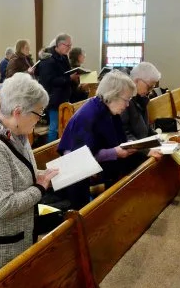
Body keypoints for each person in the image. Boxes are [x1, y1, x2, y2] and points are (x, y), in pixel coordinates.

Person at [0, 72, 59, 284]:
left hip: (16, 231)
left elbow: (17, 173)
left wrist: (42, 175)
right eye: (37, 114)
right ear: (17, 112)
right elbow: (4, 205)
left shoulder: (17, 133)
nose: (39, 120)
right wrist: (40, 188)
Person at [58, 71, 138, 209]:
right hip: (76, 178)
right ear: (112, 95)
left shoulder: (108, 110)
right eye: (127, 100)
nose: (127, 105)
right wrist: (116, 152)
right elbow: (79, 157)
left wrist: (127, 146)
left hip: (93, 170)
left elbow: (116, 140)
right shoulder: (90, 115)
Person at [38, 33, 79, 142]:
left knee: (64, 126)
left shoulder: (64, 57)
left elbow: (65, 74)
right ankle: (49, 152)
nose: (70, 48)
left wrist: (73, 78)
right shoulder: (48, 59)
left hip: (63, 96)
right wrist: (69, 79)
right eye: (68, 45)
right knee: (54, 128)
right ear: (60, 44)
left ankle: (61, 149)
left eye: (71, 46)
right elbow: (49, 81)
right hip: (54, 98)